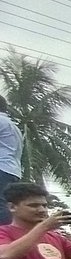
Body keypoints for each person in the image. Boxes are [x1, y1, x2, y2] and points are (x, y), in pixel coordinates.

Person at [0, 94, 22, 226]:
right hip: (12, 169)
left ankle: (2, 233)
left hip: (1, 167)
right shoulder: (11, 125)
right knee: (5, 203)